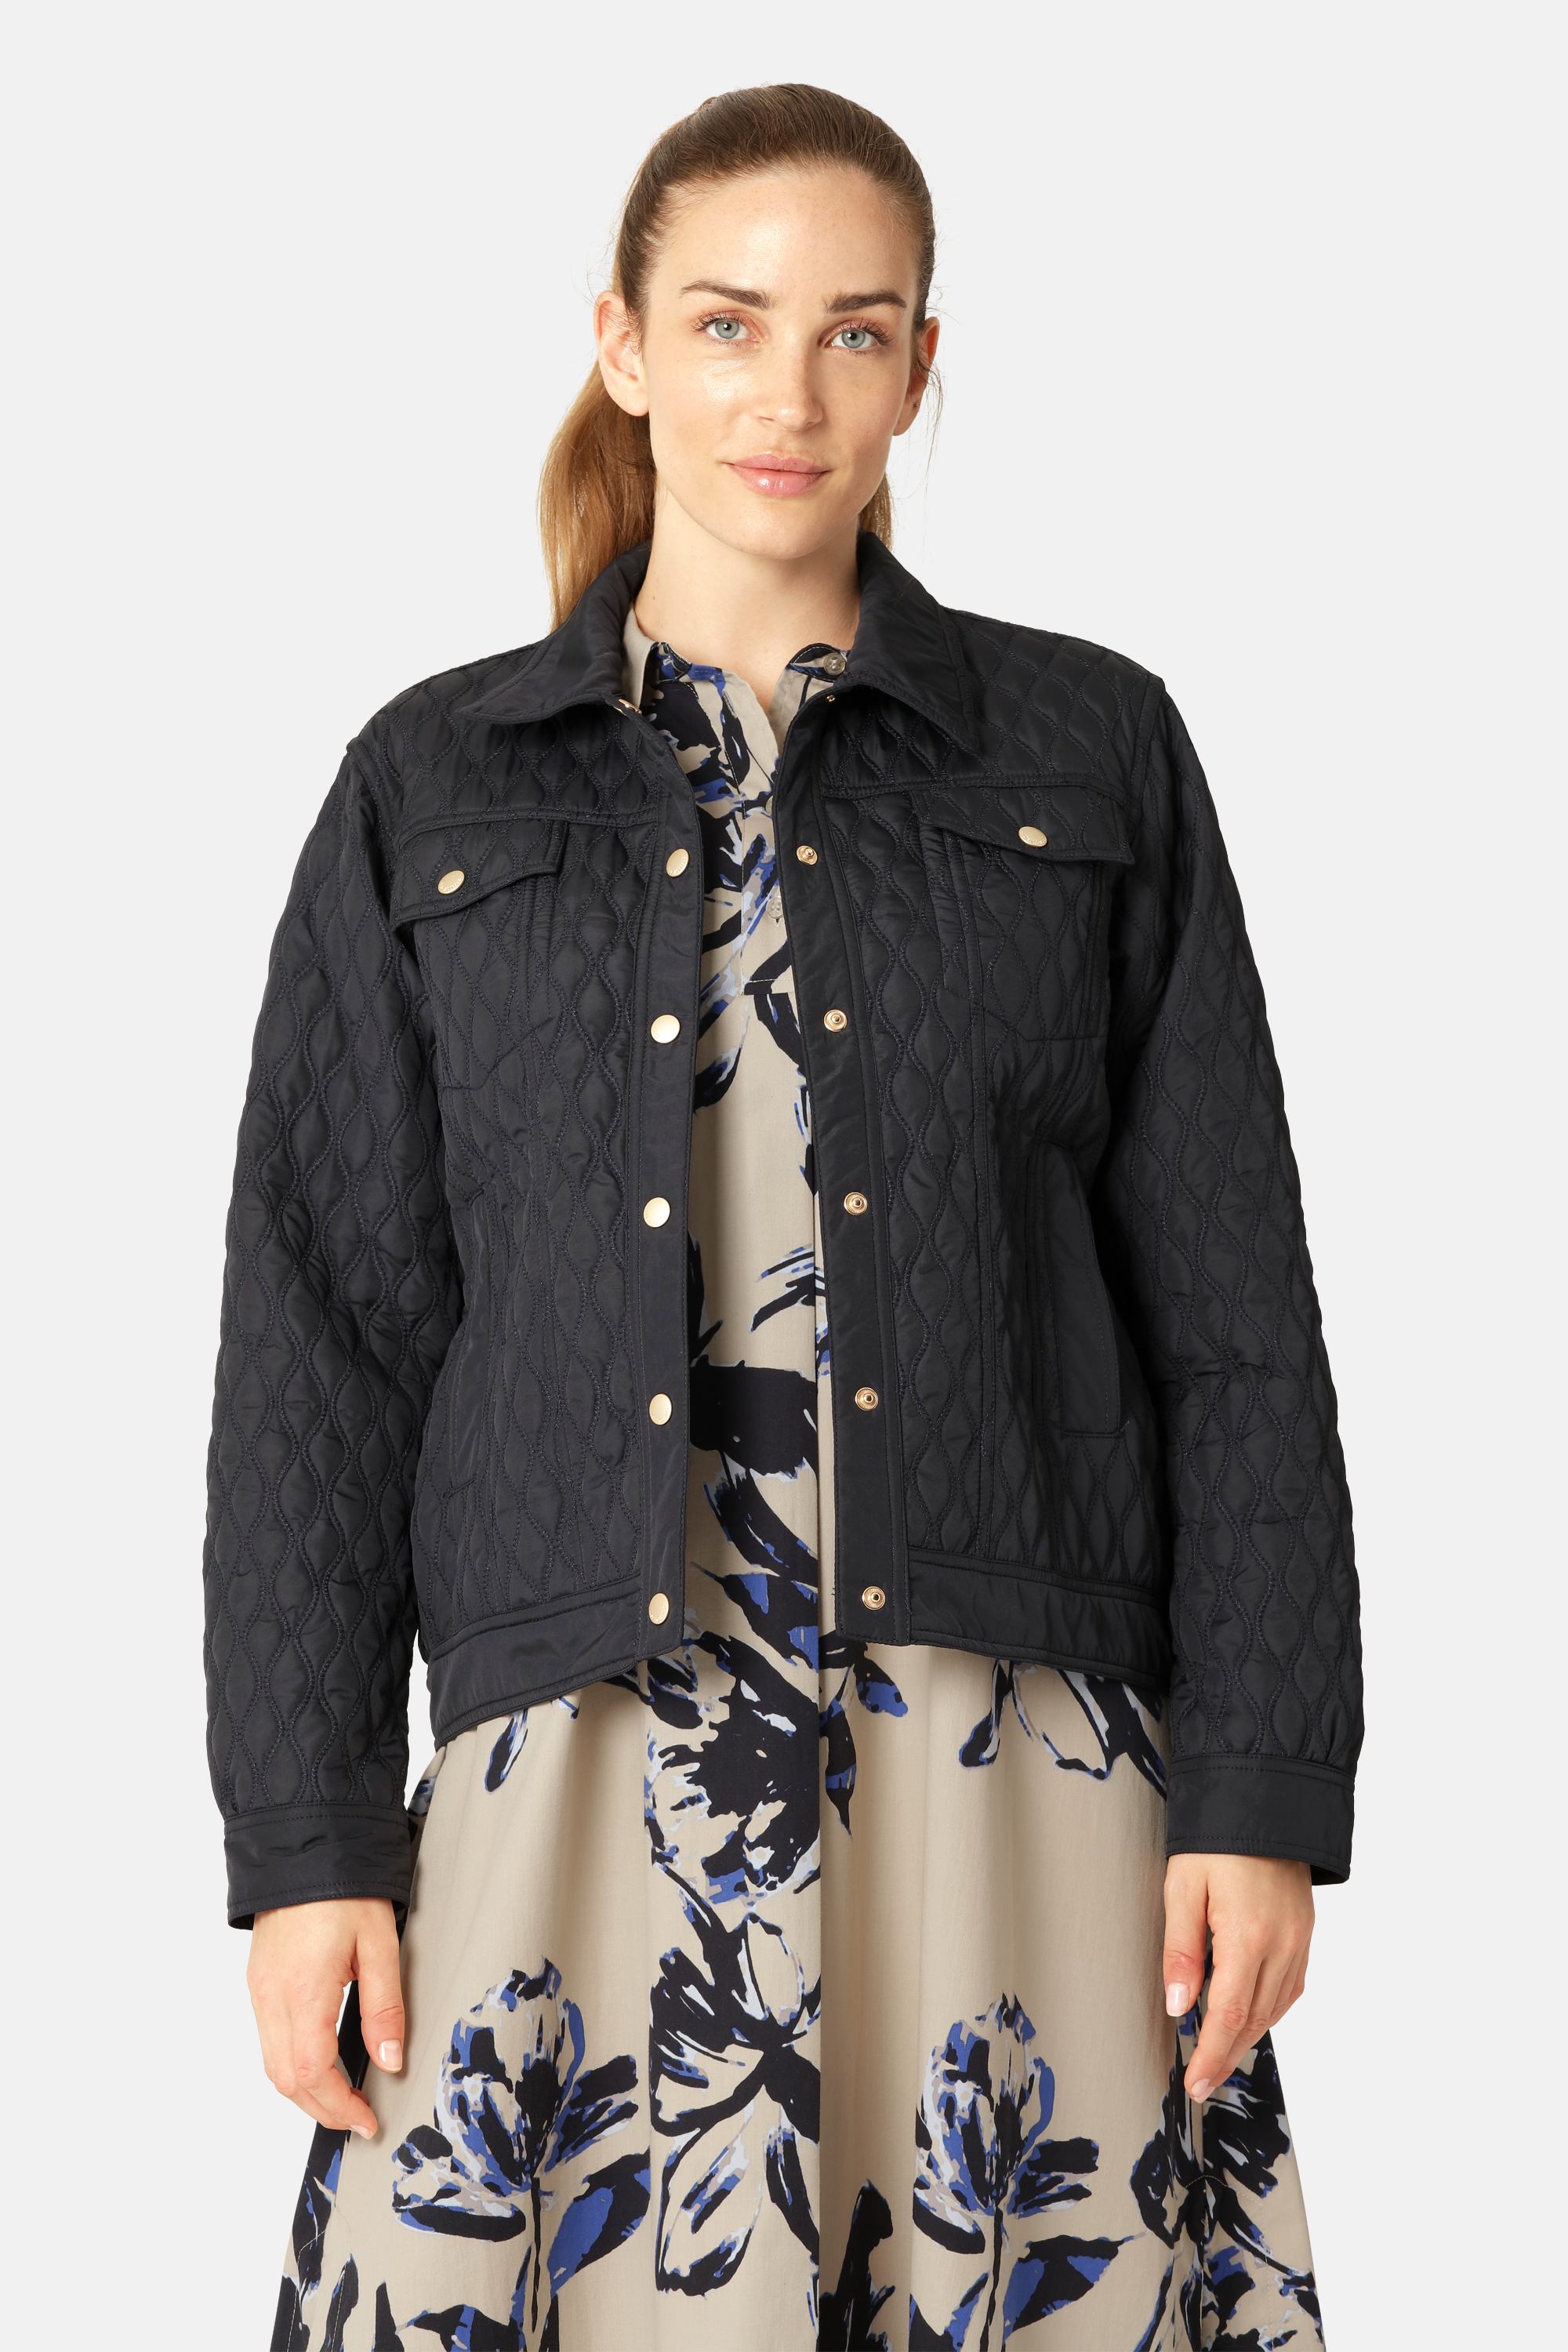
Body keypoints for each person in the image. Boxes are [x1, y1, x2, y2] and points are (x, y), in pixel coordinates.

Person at [203, 82, 1361, 2351]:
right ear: (623, 343)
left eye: (855, 330)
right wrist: (306, 1840)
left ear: (924, 367)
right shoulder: (428, 783)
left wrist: (1263, 1782)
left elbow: (1236, 1319)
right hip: (570, 1755)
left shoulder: (1093, 754)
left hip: (1013, 1760)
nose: (789, 392)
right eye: (730, 322)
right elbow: (322, 1340)